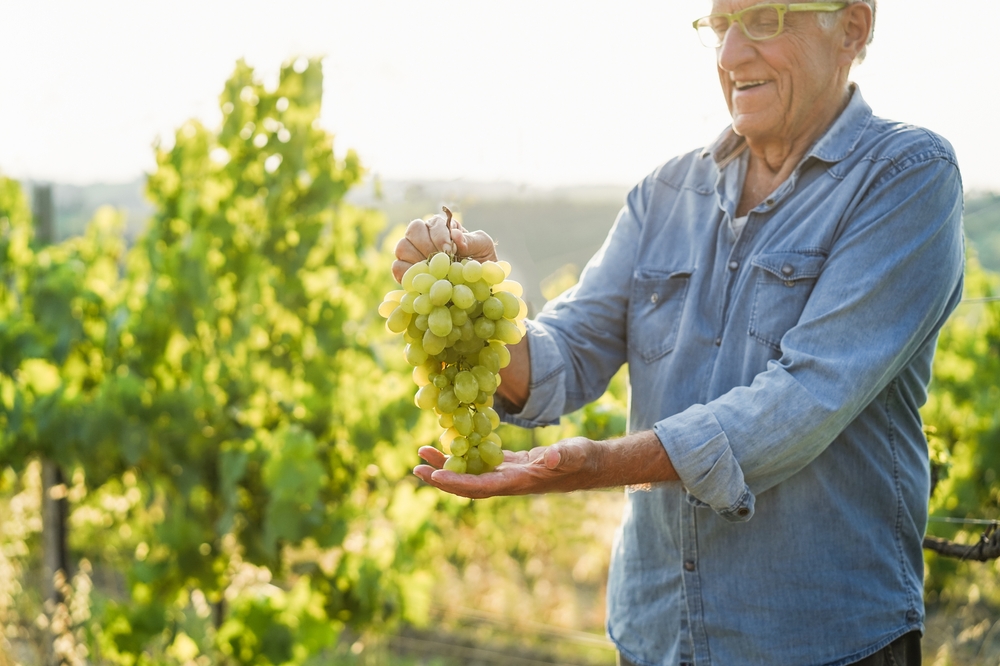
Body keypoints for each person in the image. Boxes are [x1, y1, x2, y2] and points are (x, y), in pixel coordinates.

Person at [393, 1, 964, 664]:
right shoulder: (664, 192)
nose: (729, 56)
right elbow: (562, 359)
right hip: (657, 639)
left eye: (764, 21)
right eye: (720, 26)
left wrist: (596, 465)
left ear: (853, 28)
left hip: (825, 645)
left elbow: (804, 401)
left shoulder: (906, 176)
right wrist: (472, 307)